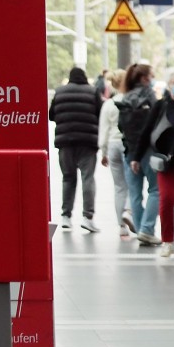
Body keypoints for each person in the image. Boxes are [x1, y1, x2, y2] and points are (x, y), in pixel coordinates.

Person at [133, 68, 174, 260]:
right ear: (169, 86)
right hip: (166, 163)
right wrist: (136, 157)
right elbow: (146, 132)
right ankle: (167, 241)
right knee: (167, 199)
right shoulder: (161, 106)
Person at [49, 66, 101, 232]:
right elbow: (100, 113)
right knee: (88, 178)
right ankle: (87, 217)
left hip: (65, 142)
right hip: (87, 142)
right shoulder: (92, 92)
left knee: (68, 178)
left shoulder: (60, 91)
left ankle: (66, 216)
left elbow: (51, 115)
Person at [120, 63, 161, 245]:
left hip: (129, 150)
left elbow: (121, 127)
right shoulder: (149, 96)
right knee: (155, 190)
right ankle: (147, 228)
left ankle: (140, 228)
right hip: (148, 150)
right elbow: (155, 124)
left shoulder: (125, 97)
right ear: (145, 78)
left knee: (135, 194)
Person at [97, 69, 132, 236]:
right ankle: (130, 213)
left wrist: (103, 152)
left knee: (119, 187)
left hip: (112, 145)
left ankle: (121, 226)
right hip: (128, 144)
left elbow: (103, 130)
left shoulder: (109, 104)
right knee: (133, 184)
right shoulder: (131, 100)